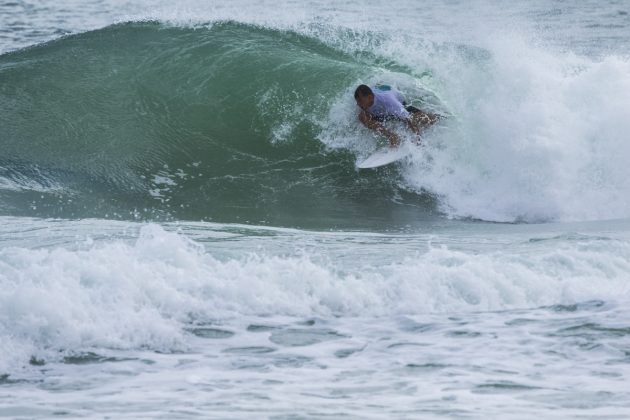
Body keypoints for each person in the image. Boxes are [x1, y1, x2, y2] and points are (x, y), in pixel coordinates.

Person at [354, 84, 439, 147]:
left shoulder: (389, 101)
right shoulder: (365, 103)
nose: (358, 104)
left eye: (360, 101)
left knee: (417, 119)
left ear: (370, 97)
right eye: (357, 101)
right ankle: (393, 137)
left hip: (399, 103)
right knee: (362, 117)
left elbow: (408, 118)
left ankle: (438, 118)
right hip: (383, 111)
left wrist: (418, 139)